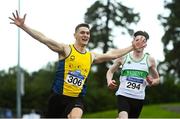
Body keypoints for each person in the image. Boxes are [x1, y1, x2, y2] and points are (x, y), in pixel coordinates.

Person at [9, 10, 146, 118]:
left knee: (76, 117)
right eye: (82, 32)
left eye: (87, 33)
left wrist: (132, 47)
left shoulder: (91, 56)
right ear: (75, 35)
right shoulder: (65, 49)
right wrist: (24, 26)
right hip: (57, 97)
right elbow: (44, 39)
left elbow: (113, 54)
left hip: (76, 99)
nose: (85, 35)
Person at [106, 31, 160, 119]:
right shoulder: (124, 57)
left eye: (143, 41)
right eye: (137, 40)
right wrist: (109, 81)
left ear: (145, 45)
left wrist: (152, 82)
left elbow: (157, 79)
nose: (139, 43)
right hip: (123, 95)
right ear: (133, 42)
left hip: (139, 98)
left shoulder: (150, 60)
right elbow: (110, 71)